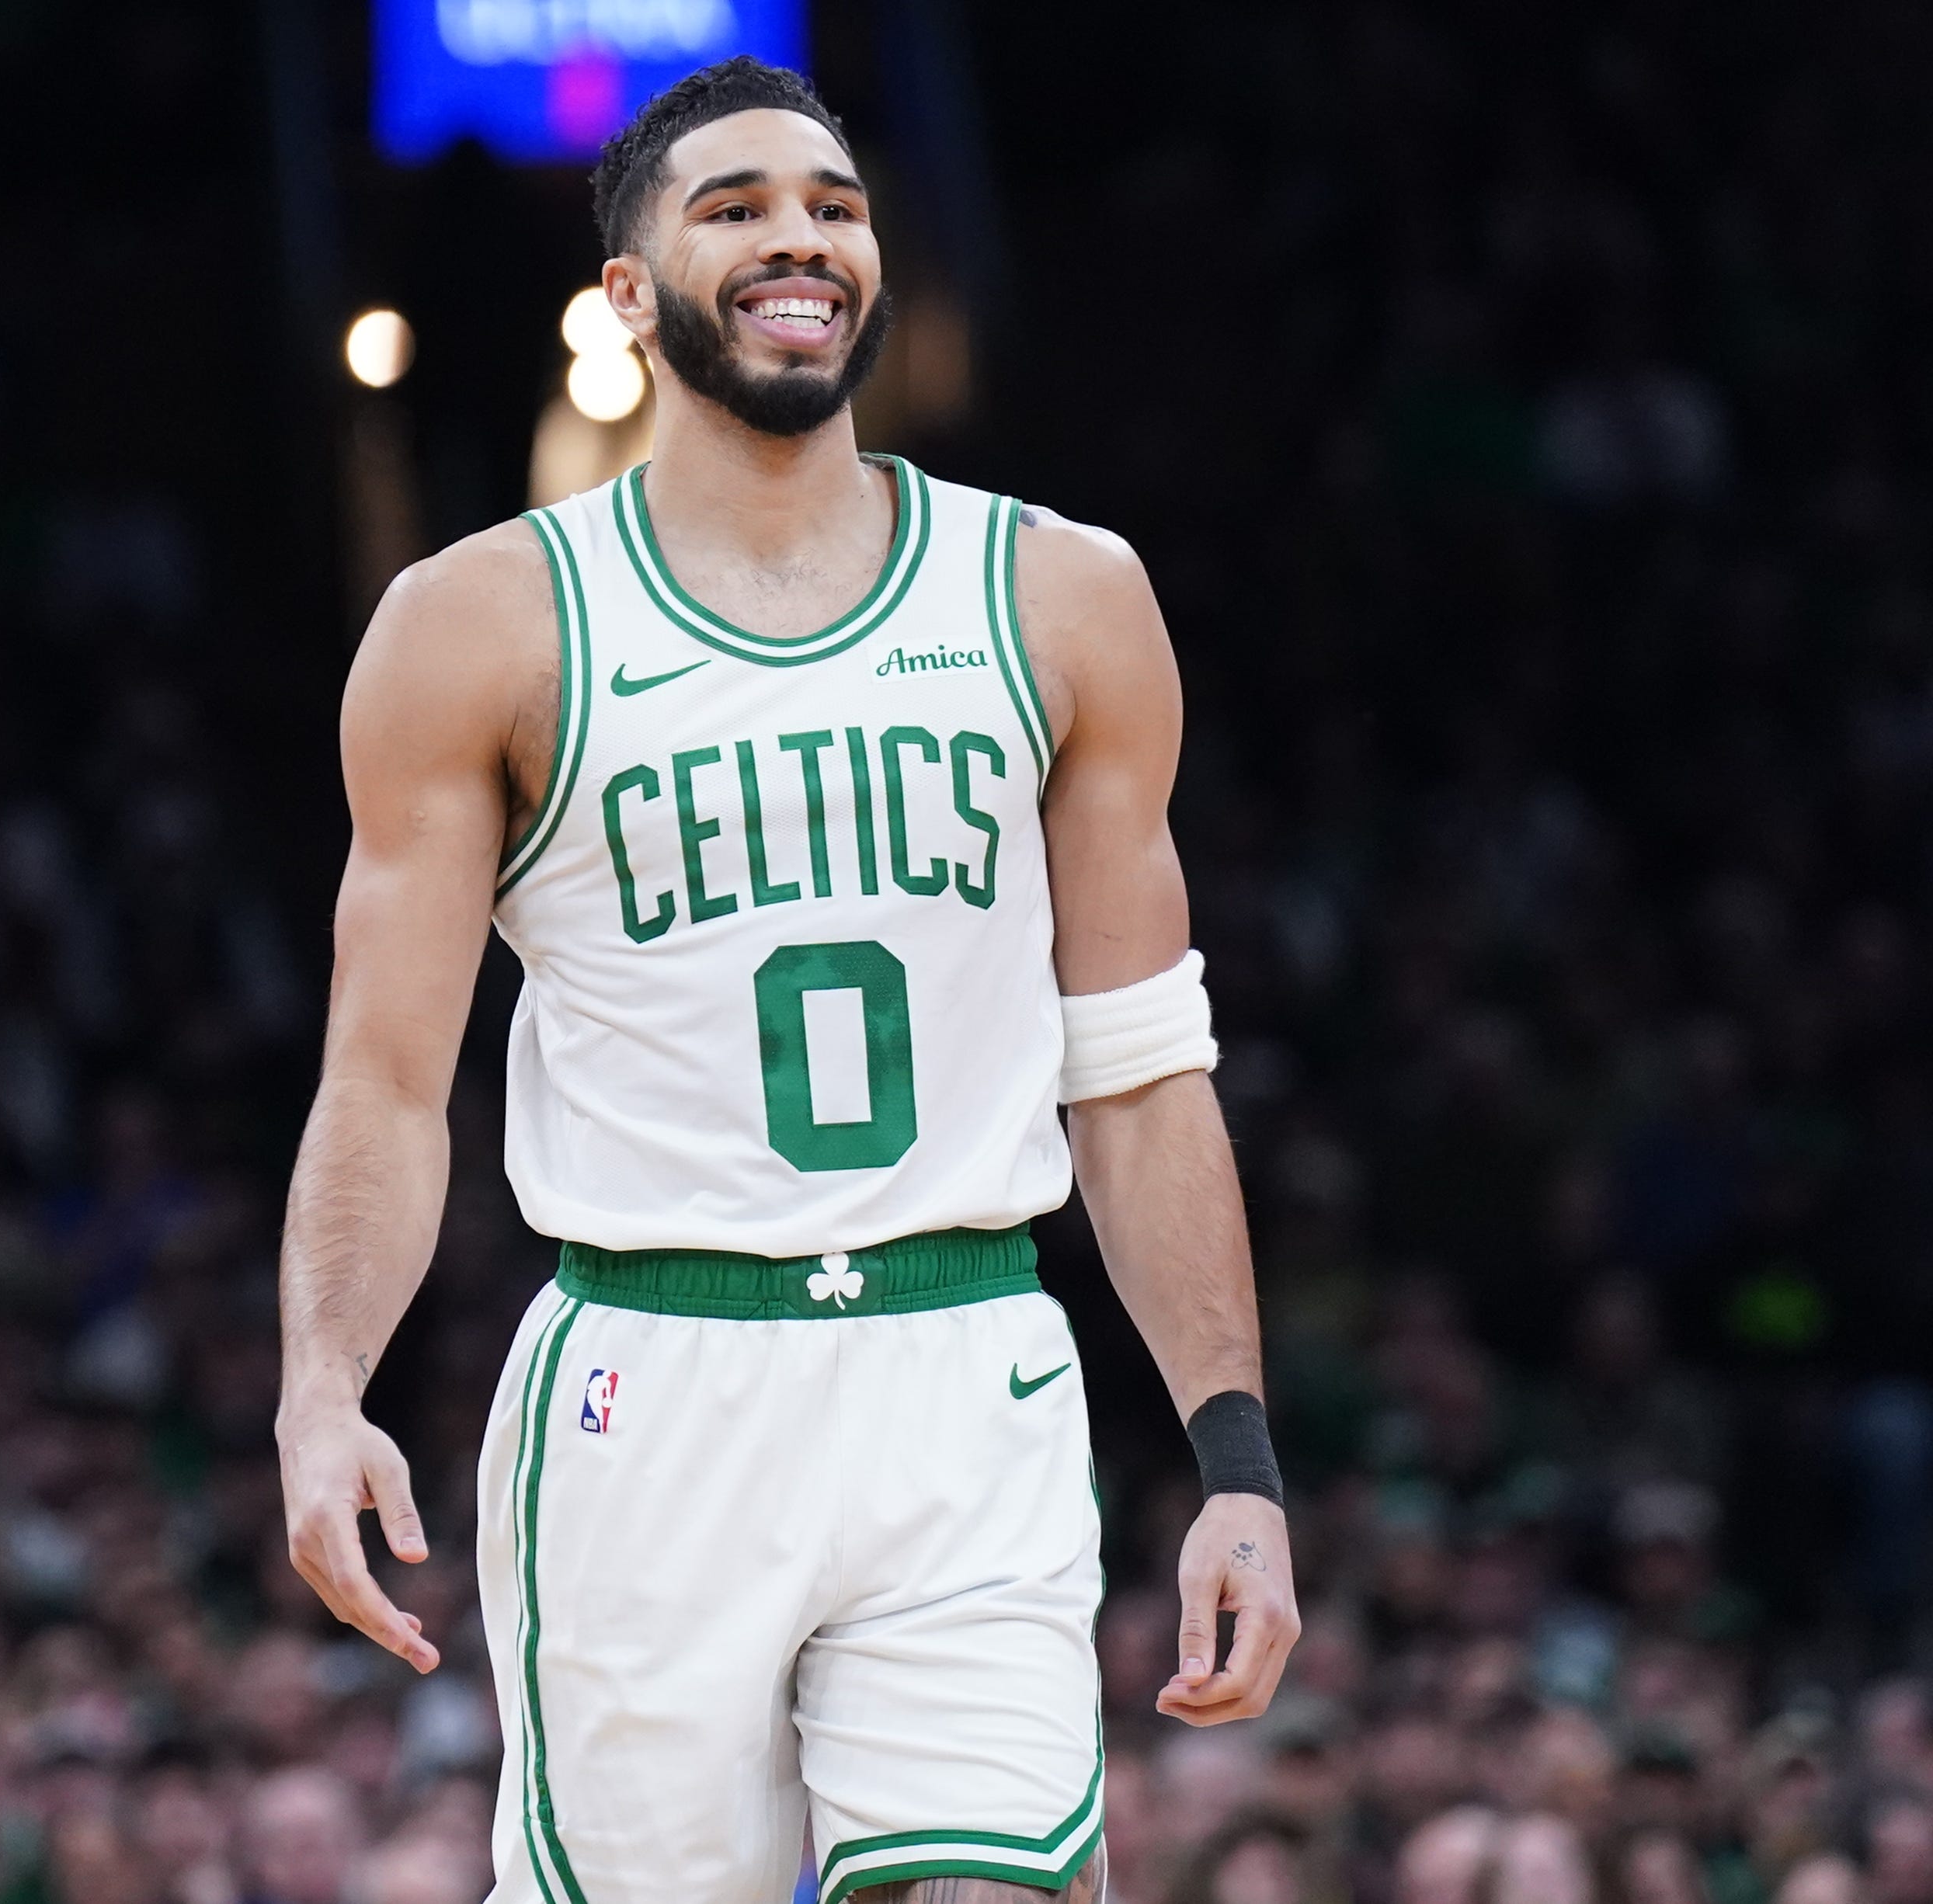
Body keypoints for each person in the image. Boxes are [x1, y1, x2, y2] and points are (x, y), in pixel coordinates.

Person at [266, 54, 1298, 1904]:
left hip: (959, 1353)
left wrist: (1236, 1457)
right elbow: (386, 1079)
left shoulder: (1060, 596)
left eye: (830, 203)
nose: (796, 237)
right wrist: (321, 1381)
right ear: (627, 296)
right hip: (651, 1380)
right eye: (731, 207)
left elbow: (1140, 1066)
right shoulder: (479, 622)